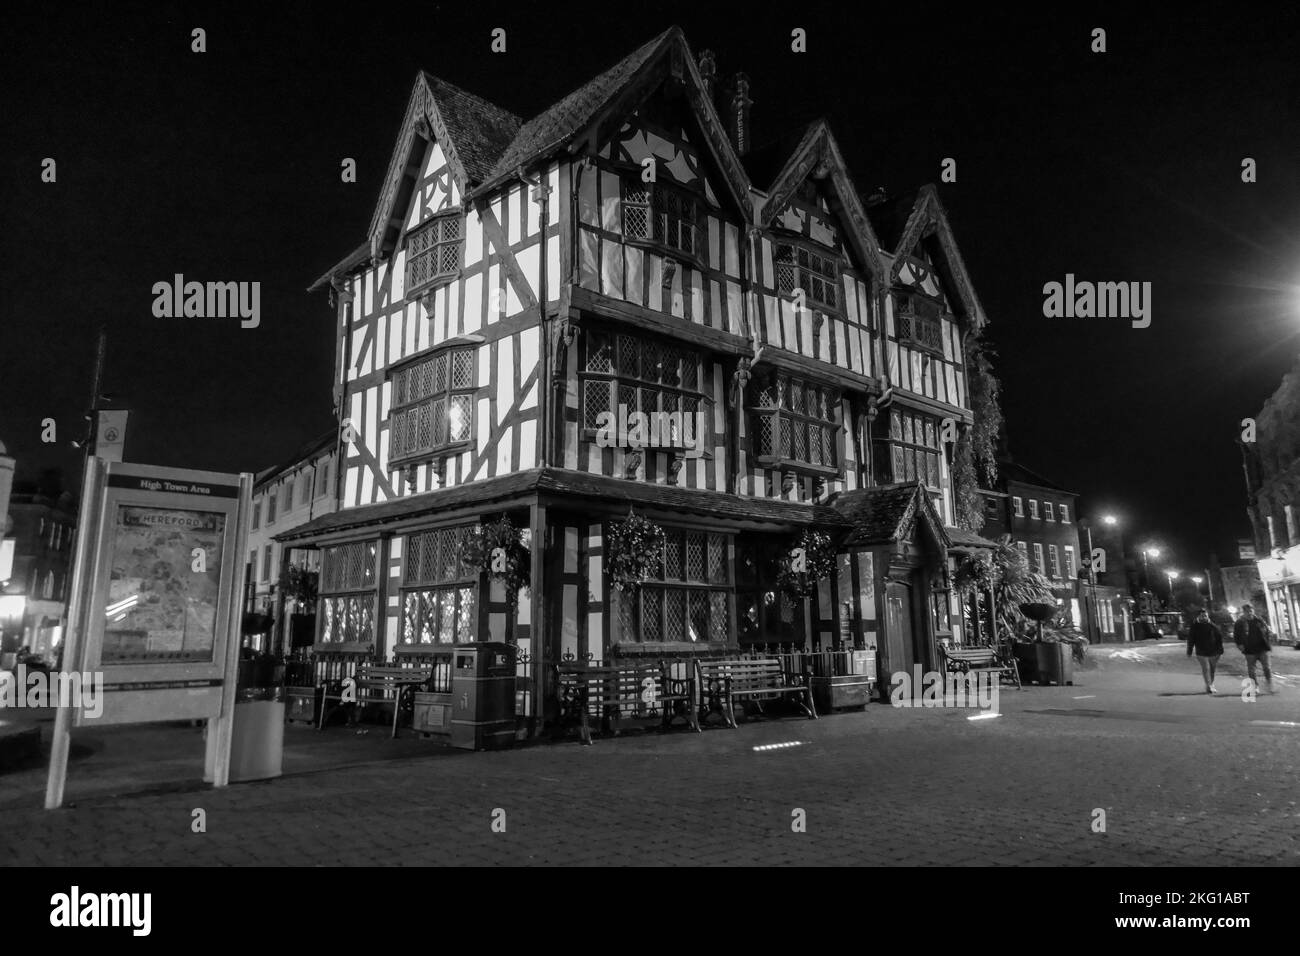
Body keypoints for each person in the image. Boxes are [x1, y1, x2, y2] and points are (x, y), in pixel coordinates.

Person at [1233, 604, 1274, 694]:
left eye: (1251, 610)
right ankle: (1255, 686)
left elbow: (1267, 631)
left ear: (1253, 611)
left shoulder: (1259, 620)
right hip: (1249, 649)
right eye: (1247, 611)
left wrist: (1268, 641)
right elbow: (1236, 636)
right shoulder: (1239, 622)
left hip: (1262, 648)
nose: (1249, 613)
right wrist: (1240, 645)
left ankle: (1269, 684)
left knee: (1267, 667)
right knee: (1251, 669)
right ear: (1244, 612)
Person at [1186, 609, 1224, 694]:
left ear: (1208, 616)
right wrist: (1189, 650)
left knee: (1212, 669)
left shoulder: (1213, 626)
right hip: (1201, 651)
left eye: (1205, 615)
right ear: (1198, 616)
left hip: (1213, 651)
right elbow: (1191, 639)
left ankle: (1211, 684)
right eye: (1202, 616)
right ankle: (1209, 685)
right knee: (1206, 668)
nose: (1204, 617)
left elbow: (1219, 638)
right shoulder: (1195, 626)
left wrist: (1220, 649)